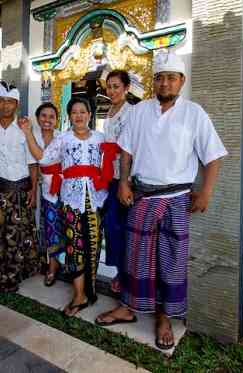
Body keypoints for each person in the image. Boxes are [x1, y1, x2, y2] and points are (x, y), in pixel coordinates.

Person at [95, 52, 228, 351]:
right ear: (154, 81)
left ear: (181, 81)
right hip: (142, 196)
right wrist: (124, 182)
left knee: (170, 261)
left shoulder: (194, 113)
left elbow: (213, 155)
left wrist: (206, 191)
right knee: (135, 256)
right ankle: (127, 307)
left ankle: (164, 317)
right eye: (160, 77)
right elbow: (126, 150)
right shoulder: (140, 110)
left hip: (177, 199)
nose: (165, 82)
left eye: (171, 77)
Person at [39, 97, 111, 316]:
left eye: (83, 112)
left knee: (94, 245)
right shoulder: (63, 139)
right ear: (70, 116)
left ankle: (91, 290)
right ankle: (79, 295)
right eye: (74, 112)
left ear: (90, 115)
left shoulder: (101, 138)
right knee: (74, 245)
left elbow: (110, 162)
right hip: (71, 199)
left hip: (96, 198)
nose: (79, 116)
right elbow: (44, 160)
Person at [0, 81, 40, 295]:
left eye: (10, 102)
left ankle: (11, 278)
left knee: (16, 238)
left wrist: (33, 190)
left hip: (21, 189)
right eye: (1, 101)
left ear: (16, 105)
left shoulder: (24, 129)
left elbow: (33, 162)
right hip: (0, 189)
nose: (5, 105)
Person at [17, 103, 65, 287]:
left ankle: (64, 265)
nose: (47, 119)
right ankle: (50, 266)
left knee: (66, 227)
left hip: (66, 189)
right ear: (37, 119)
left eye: (51, 116)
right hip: (46, 190)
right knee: (50, 228)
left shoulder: (63, 137)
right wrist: (34, 190)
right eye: (43, 116)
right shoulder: (32, 136)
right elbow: (34, 165)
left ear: (56, 119)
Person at [100, 70, 134, 293]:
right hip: (109, 176)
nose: (111, 91)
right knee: (111, 228)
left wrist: (126, 181)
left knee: (123, 228)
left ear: (126, 88)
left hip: (125, 178)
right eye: (109, 86)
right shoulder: (109, 111)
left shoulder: (131, 112)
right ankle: (120, 273)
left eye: (116, 86)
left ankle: (126, 277)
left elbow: (130, 148)